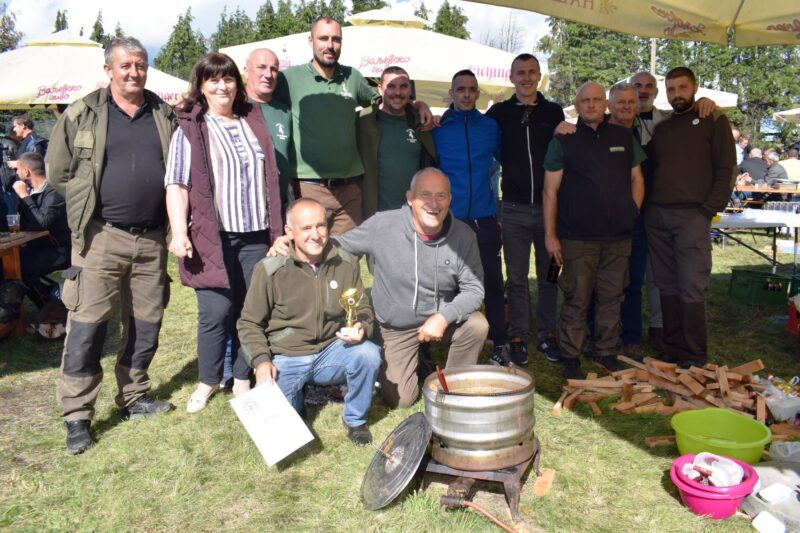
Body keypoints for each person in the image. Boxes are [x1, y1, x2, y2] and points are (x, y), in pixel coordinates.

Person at [47, 36, 176, 455]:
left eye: (140, 65)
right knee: (87, 327)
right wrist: (89, 205)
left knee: (145, 323)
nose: (134, 72)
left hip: (152, 239)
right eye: (126, 66)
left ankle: (134, 396)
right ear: (109, 70)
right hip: (100, 238)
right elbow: (57, 173)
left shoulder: (163, 113)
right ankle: (78, 415)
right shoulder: (82, 113)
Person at [269, 168, 488, 408]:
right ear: (410, 198)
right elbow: (339, 245)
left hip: (438, 319)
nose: (433, 204)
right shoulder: (383, 225)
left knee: (477, 325)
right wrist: (293, 244)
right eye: (425, 195)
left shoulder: (463, 236)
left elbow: (474, 289)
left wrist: (443, 317)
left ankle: (454, 386)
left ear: (450, 199)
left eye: (441, 196)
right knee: (402, 400)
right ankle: (404, 358)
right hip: (395, 326)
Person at [165, 52, 283, 413]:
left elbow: (270, 177)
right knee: (215, 311)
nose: (222, 86)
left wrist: (277, 231)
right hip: (212, 235)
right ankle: (208, 380)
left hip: (256, 234)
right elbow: (176, 184)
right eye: (213, 80)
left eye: (228, 78)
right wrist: (178, 232)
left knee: (251, 310)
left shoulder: (252, 121)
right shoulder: (191, 127)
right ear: (201, 86)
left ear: (237, 83)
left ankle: (242, 377)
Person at [238, 198, 381, 446]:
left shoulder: (346, 262)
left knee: (368, 354)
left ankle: (355, 420)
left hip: (332, 349)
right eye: (306, 228)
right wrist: (261, 361)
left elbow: (362, 307)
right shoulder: (270, 269)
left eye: (320, 226)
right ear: (289, 231)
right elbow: (249, 322)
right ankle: (296, 401)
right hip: (287, 355)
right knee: (284, 434)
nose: (315, 235)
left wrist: (362, 326)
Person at [272, 16, 431, 235]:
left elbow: (385, 99)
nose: (330, 45)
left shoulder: (352, 77)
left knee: (348, 253)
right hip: (308, 187)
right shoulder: (289, 78)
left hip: (350, 191)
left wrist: (416, 103)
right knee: (309, 251)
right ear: (311, 41)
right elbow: (262, 101)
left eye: (336, 39)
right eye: (323, 38)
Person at [543, 82, 645, 380]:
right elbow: (550, 191)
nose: (591, 105)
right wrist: (551, 236)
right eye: (585, 100)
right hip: (577, 238)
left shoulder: (623, 137)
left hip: (618, 237)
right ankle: (570, 356)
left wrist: (632, 211)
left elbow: (637, 179)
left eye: (597, 100)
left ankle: (605, 351)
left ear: (606, 105)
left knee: (612, 297)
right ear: (576, 105)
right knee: (577, 299)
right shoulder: (564, 140)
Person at [646, 66, 736, 368]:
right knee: (666, 285)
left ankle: (695, 355)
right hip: (658, 215)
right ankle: (673, 349)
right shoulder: (663, 129)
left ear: (695, 88)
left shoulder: (713, 119)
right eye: (671, 89)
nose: (677, 95)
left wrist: (708, 210)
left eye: (682, 88)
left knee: (691, 285)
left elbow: (726, 169)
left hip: (693, 215)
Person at [486, 53, 565, 366]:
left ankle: (548, 333)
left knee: (551, 274)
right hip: (514, 209)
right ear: (512, 77)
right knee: (517, 277)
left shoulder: (553, 111)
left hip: (549, 208)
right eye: (521, 72)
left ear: (539, 76)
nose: (527, 78)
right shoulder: (499, 113)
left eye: (532, 72)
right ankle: (518, 334)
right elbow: (475, 129)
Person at [431, 70, 505, 365]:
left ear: (477, 93)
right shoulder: (438, 128)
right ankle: (449, 335)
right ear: (451, 93)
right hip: (451, 220)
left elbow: (505, 158)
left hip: (484, 217)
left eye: (472, 89)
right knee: (446, 283)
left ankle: (499, 341)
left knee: (492, 282)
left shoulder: (490, 127)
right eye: (460, 89)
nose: (466, 94)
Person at [357, 65, 437, 218]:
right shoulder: (363, 121)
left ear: (410, 90)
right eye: (391, 86)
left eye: (403, 86)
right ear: (380, 89)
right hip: (374, 216)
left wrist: (422, 106)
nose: (398, 92)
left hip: (413, 215)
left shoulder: (421, 122)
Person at [11, 153, 69, 308]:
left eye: (17, 170)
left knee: (20, 267)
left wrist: (24, 196)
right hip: (37, 246)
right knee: (9, 264)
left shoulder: (54, 192)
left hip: (59, 249)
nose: (15, 174)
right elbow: (25, 224)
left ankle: (48, 304)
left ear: (26, 172)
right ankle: (47, 296)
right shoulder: (31, 192)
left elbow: (42, 223)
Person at [244, 48, 295, 209]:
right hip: (245, 206)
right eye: (261, 67)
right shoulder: (233, 107)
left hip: (280, 204)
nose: (268, 74)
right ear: (246, 71)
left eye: (273, 69)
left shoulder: (285, 112)